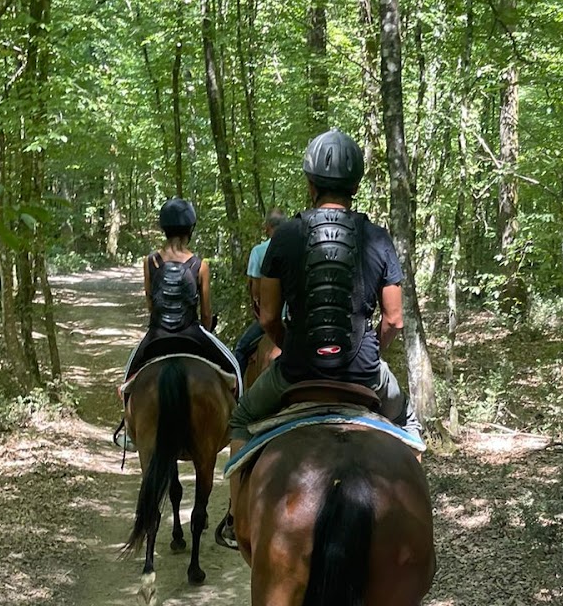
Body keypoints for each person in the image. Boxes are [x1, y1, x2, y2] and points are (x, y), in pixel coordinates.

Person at [228, 129, 418, 445]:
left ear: (310, 184)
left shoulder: (284, 236)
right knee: (409, 424)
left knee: (240, 420)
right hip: (364, 370)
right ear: (356, 185)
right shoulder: (378, 238)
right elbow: (394, 319)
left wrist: (291, 348)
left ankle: (238, 496)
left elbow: (268, 317)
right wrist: (369, 355)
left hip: (296, 370)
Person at [121, 197, 242, 392]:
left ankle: (126, 417)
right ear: (190, 229)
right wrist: (207, 329)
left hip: (157, 334)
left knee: (128, 380)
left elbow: (151, 304)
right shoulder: (200, 265)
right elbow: (206, 314)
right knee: (234, 369)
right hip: (191, 333)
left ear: (164, 228)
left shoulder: (149, 262)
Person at [233, 208, 286, 379]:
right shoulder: (297, 250)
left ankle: (237, 394)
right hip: (295, 320)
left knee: (241, 349)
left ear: (267, 227)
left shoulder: (258, 251)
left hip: (271, 320)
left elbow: (255, 292)